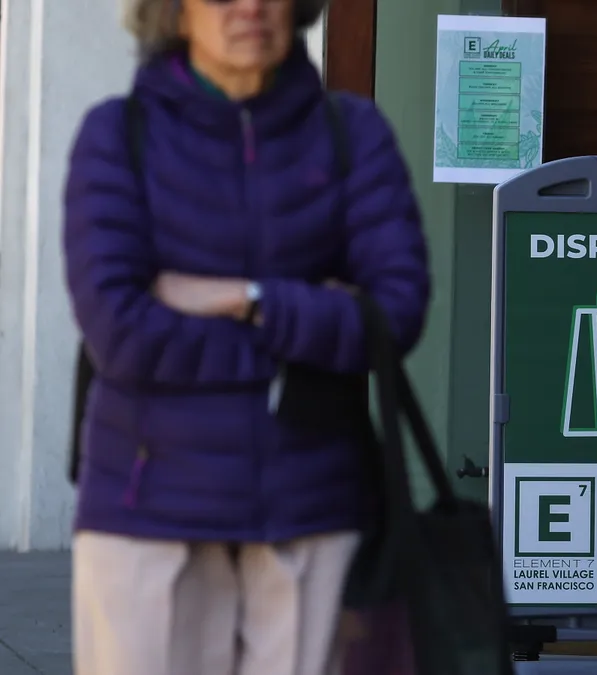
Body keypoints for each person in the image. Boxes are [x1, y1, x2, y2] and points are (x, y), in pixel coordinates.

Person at [62, 0, 430, 672]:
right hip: (150, 514)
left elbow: (395, 314)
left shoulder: (354, 134)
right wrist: (310, 319)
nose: (252, 7)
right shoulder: (117, 137)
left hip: (312, 509)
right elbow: (121, 330)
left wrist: (245, 298)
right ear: (172, 12)